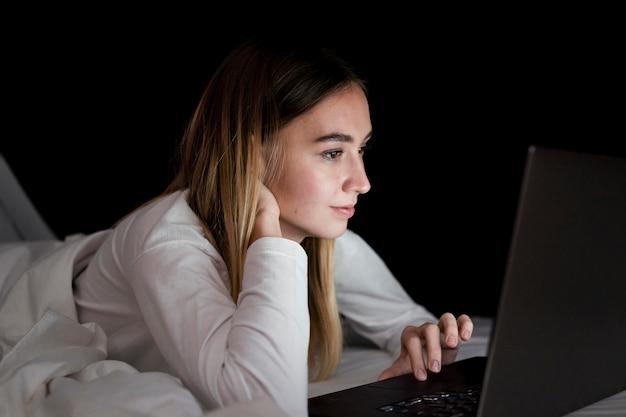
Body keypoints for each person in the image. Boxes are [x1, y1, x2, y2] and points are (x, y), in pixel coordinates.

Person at [73, 39, 473, 416]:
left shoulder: (323, 241)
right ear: (253, 155)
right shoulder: (169, 246)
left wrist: (426, 343)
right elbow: (268, 405)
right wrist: (271, 239)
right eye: (333, 152)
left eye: (361, 149)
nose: (362, 182)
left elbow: (400, 321)